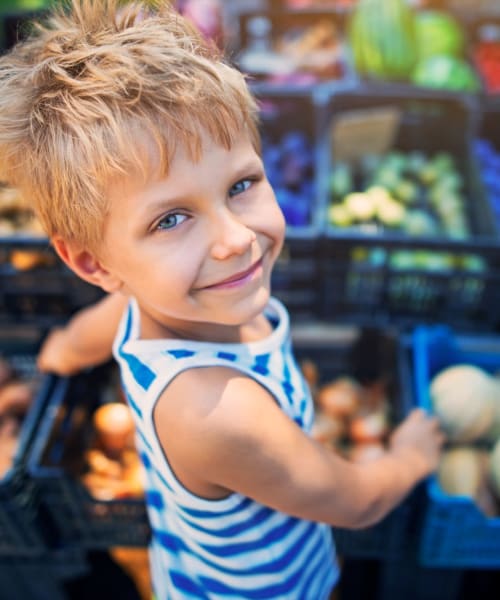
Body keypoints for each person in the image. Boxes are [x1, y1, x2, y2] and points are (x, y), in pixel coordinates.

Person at [0, 1, 444, 598]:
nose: (236, 239)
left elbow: (83, 337)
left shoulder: (146, 300)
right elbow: (356, 501)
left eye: (241, 185)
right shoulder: (217, 412)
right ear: (94, 263)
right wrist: (410, 459)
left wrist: (55, 353)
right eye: (172, 219)